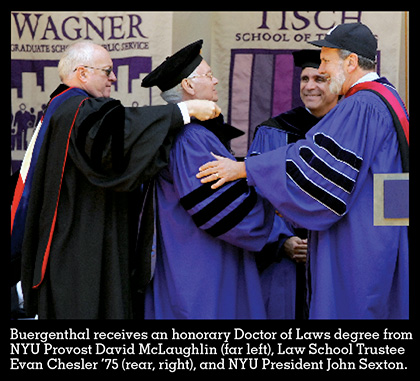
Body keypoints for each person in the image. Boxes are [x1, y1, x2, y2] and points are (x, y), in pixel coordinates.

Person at [197, 23, 409, 319]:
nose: (321, 70)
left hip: (358, 242)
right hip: (382, 231)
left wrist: (246, 169)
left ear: (350, 63)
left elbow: (316, 169)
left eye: (325, 60)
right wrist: (390, 232)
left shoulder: (360, 106)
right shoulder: (391, 99)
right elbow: (396, 185)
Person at [11, 41, 220, 319]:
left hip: (75, 242)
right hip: (79, 250)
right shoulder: (76, 107)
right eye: (107, 70)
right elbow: (112, 141)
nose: (113, 77)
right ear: (83, 73)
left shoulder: (61, 108)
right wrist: (183, 111)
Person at [140, 40, 283, 319]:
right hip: (199, 266)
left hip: (196, 257)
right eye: (208, 75)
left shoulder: (191, 133)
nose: (216, 80)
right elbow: (221, 211)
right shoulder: (191, 138)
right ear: (189, 86)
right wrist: (272, 201)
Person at [248, 49, 339, 319]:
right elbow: (256, 195)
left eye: (319, 79)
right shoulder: (273, 131)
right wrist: (282, 240)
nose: (309, 86)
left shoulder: (351, 131)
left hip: (336, 256)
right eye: (304, 78)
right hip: (285, 262)